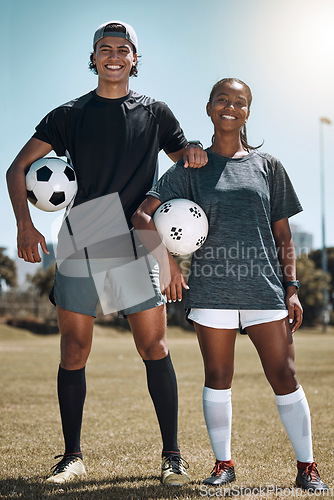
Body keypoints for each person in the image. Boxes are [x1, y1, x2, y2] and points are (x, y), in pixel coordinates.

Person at [6, 20, 208, 486]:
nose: (114, 55)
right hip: (83, 231)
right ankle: (72, 457)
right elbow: (18, 168)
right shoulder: (70, 114)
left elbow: (185, 163)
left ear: (135, 60)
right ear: (93, 58)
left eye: (123, 49)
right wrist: (24, 224)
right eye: (104, 48)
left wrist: (194, 152)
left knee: (152, 345)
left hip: (136, 237)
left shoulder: (155, 112)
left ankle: (172, 456)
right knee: (74, 348)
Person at [131, 78, 329, 492]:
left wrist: (291, 287)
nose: (230, 106)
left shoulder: (268, 166)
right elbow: (142, 217)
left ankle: (307, 466)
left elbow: (284, 237)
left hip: (264, 290)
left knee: (285, 375)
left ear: (248, 112)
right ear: (209, 108)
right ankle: (224, 464)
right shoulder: (190, 168)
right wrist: (166, 263)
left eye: (240, 102)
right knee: (218, 375)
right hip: (212, 292)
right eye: (222, 99)